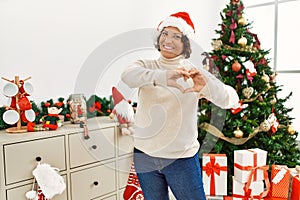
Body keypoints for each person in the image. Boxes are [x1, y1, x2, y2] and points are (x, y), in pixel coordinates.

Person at [121, 12, 239, 200]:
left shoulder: (193, 73)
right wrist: (164, 77)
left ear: (186, 44)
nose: (168, 40)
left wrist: (207, 87)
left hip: (180, 158)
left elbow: (231, 99)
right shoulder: (146, 66)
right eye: (165, 34)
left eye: (176, 36)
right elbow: (127, 76)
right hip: (145, 155)